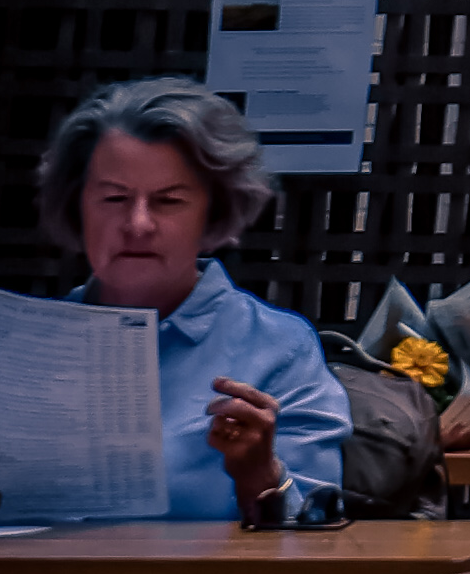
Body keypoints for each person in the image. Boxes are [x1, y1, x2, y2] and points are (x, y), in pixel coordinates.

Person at [27, 78, 349, 529]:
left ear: (213, 212)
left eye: (168, 201)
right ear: (76, 206)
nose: (137, 224)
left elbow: (316, 553)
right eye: (114, 198)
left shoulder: (277, 348)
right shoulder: (29, 346)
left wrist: (260, 476)